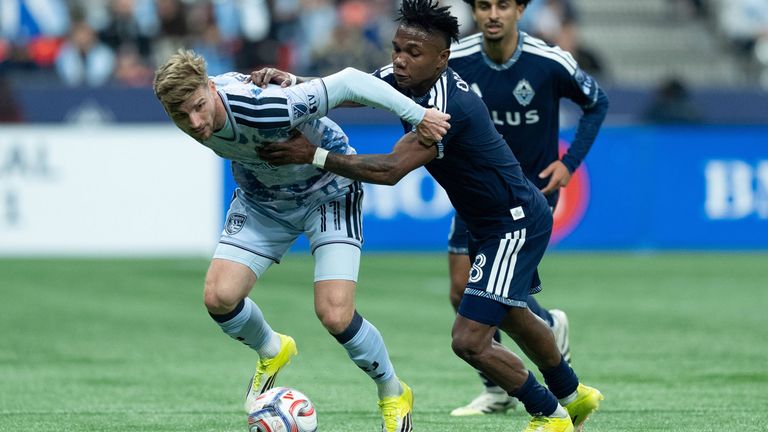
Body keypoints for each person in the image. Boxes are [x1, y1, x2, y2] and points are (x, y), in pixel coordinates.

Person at [256, 1, 603, 431]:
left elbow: (389, 170)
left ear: (443, 59)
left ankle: (549, 415)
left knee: (469, 341)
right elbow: (351, 90)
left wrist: (314, 154)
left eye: (413, 53)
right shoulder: (407, 78)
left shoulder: (444, 109)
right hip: (489, 221)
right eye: (397, 48)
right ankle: (574, 394)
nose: (400, 59)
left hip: (514, 222)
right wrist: (293, 82)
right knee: (512, 314)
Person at [152, 49, 450, 432]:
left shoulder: (263, 108)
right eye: (181, 115)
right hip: (264, 202)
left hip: (328, 191)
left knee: (335, 315)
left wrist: (418, 115)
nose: (194, 122)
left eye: (198, 106)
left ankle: (393, 391)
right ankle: (272, 350)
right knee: (219, 297)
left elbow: (349, 81)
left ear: (210, 88)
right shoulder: (197, 110)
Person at [446, 0, 609, 416]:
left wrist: (569, 163)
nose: (493, 14)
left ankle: (541, 377)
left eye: (503, 5)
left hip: (528, 197)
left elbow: (597, 102)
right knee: (463, 291)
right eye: (484, 6)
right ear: (475, 12)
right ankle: (502, 382)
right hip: (475, 193)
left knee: (497, 294)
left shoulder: (548, 60)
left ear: (520, 9)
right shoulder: (457, 60)